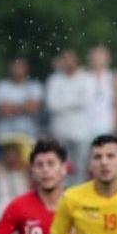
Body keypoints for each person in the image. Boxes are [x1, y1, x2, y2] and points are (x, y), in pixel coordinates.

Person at [46, 49, 94, 182]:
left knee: (81, 167)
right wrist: (75, 102)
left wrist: (64, 102)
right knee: (60, 165)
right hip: (60, 131)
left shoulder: (86, 78)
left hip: (81, 131)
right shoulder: (54, 80)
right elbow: (52, 104)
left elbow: (87, 101)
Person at [0, 58, 44, 140]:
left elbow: (33, 108)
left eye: (20, 67)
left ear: (26, 69)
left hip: (28, 127)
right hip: (6, 127)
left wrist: (12, 107)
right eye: (15, 67)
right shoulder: (2, 86)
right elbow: (3, 110)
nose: (18, 70)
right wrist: (24, 107)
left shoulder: (34, 86)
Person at [86, 44, 117, 138]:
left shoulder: (114, 77)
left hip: (107, 124)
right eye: (95, 56)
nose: (97, 59)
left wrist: (116, 125)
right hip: (85, 127)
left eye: (100, 56)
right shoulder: (83, 76)